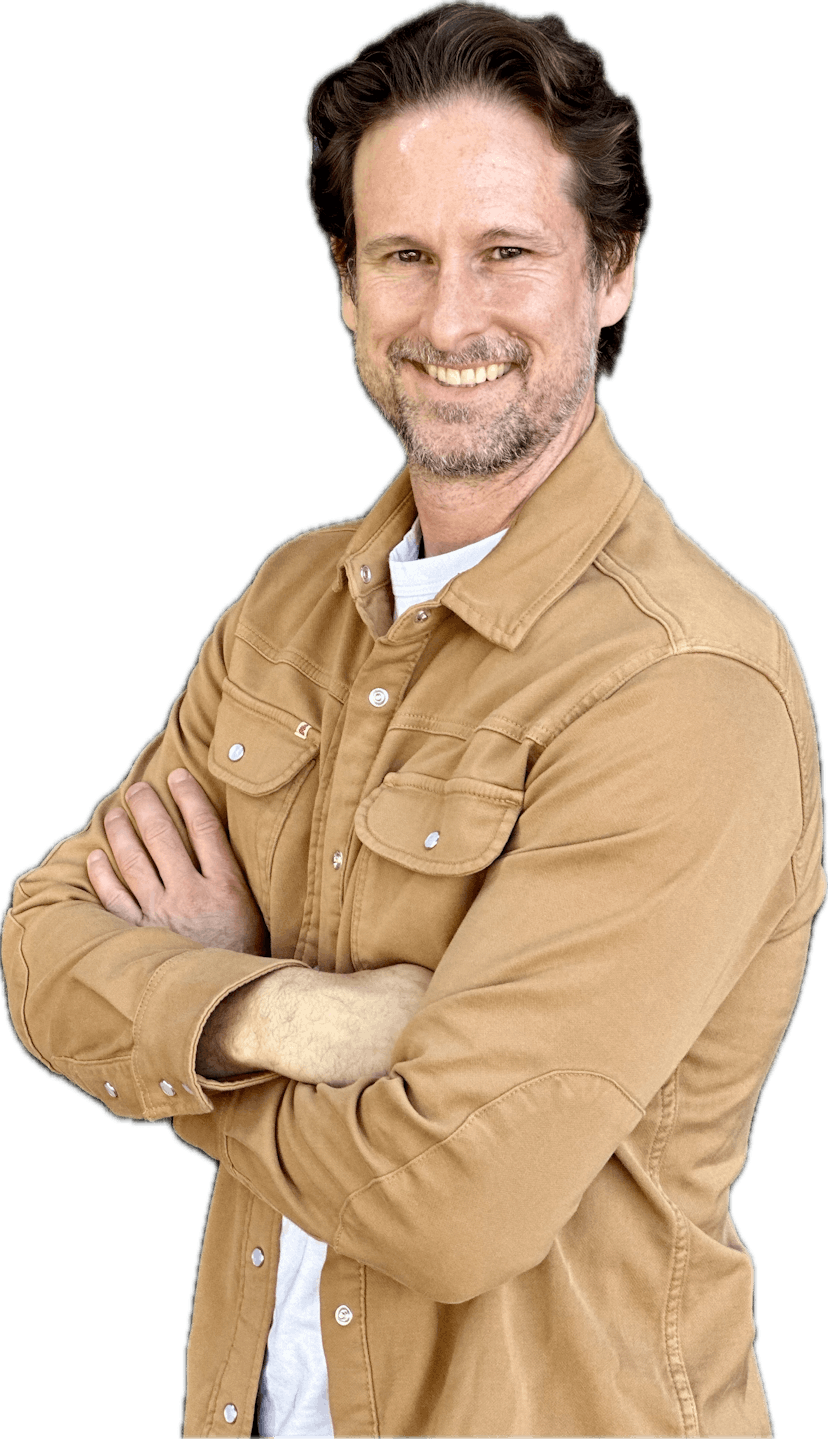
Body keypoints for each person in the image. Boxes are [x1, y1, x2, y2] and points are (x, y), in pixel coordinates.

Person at [3, 3, 824, 1437]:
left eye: (508, 253)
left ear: (615, 270)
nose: (449, 321)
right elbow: (40, 948)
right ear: (346, 283)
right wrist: (284, 1009)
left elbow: (456, 1200)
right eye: (404, 256)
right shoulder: (290, 607)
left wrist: (181, 1030)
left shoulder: (687, 684)